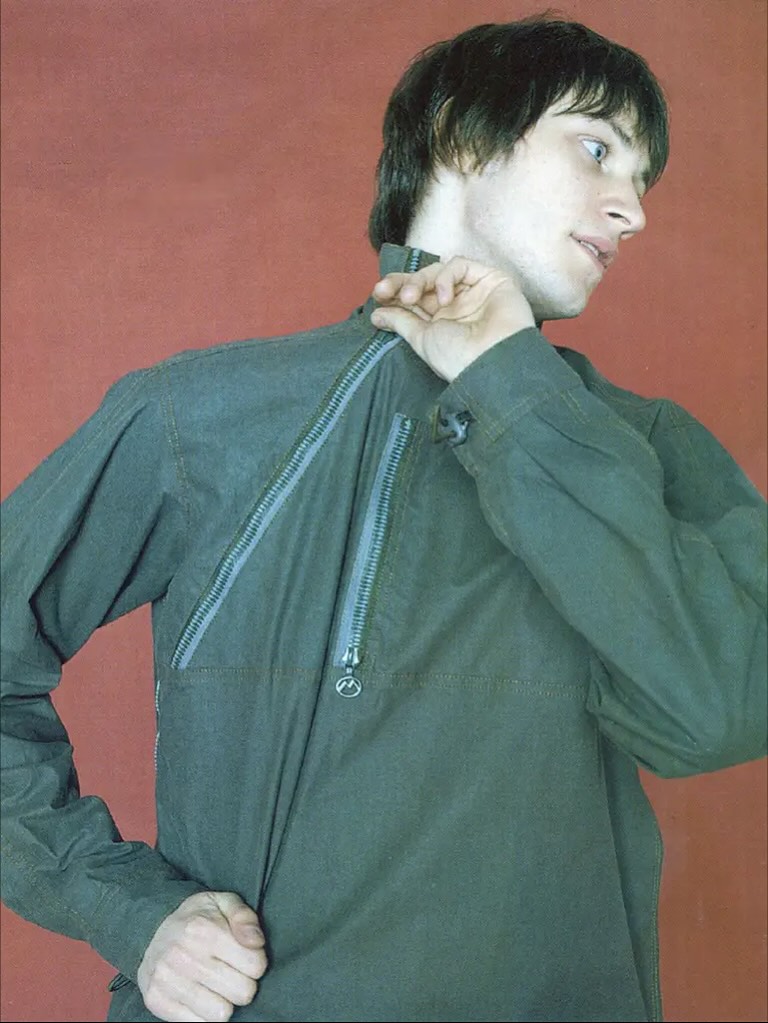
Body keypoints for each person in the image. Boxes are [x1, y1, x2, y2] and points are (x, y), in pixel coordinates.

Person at [1, 14, 766, 1023]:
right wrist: (126, 910)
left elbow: (717, 710)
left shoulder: (646, 448)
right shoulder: (203, 415)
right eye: (597, 150)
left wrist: (513, 390)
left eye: (643, 179)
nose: (632, 211)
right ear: (460, 137)